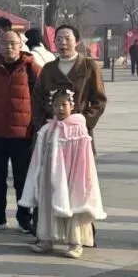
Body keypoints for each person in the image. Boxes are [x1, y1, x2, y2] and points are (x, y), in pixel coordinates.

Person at [20, 89, 106, 258]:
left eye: (64, 105)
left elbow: (84, 156)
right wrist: (38, 175)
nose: (60, 108)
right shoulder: (48, 129)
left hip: (72, 174)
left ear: (71, 106)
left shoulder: (78, 128)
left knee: (73, 205)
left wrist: (81, 176)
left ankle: (76, 242)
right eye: (56, 105)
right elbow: (39, 155)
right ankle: (46, 238)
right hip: (50, 176)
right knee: (48, 204)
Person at [0, 30, 41, 233]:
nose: (9, 47)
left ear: (21, 45)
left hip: (23, 135)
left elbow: (42, 97)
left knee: (23, 180)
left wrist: (34, 121)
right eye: (5, 43)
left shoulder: (32, 68)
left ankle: (24, 218)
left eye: (13, 43)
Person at [32, 24, 107, 136]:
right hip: (52, 129)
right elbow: (37, 98)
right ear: (54, 42)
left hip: (78, 130)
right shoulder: (48, 68)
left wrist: (85, 122)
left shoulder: (89, 66)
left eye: (67, 39)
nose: (63, 43)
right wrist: (42, 123)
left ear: (77, 42)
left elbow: (99, 100)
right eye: (59, 39)